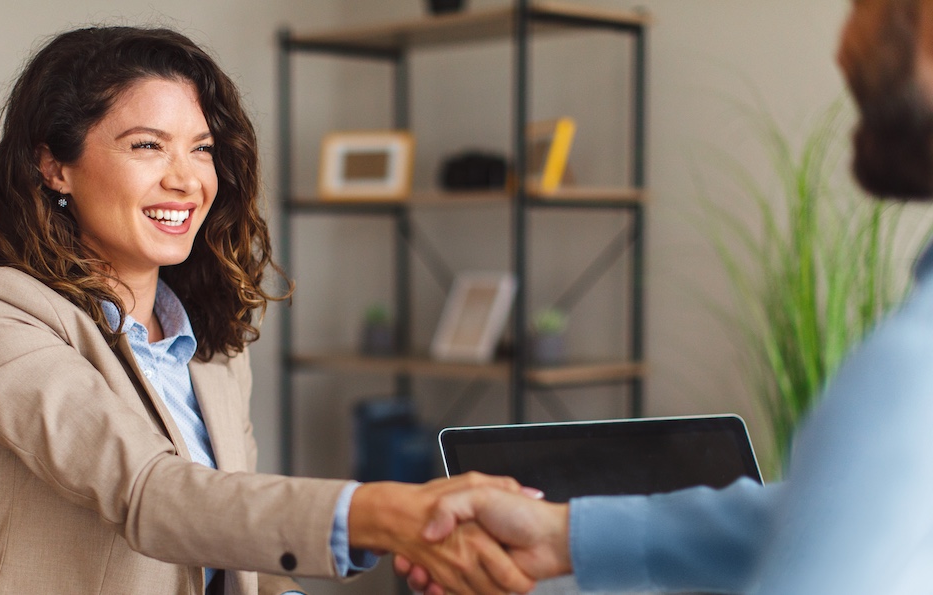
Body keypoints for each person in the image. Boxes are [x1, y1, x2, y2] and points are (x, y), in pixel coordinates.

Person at [0, 26, 535, 595]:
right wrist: (385, 514)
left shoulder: (211, 345)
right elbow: (149, 493)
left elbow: (240, 554)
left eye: (202, 149)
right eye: (147, 145)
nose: (187, 179)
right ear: (54, 166)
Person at [399, 0, 933, 593]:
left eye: (869, 6)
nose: (843, 46)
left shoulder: (910, 369)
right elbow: (838, 516)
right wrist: (562, 534)